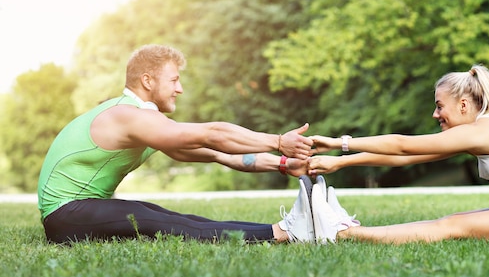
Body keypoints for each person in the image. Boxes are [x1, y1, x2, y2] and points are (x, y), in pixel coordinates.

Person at [37, 44, 323, 244]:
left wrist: (285, 165)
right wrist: (278, 141)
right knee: (155, 220)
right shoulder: (128, 116)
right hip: (66, 214)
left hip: (80, 210)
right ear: (147, 80)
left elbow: (219, 154)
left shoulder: (146, 122)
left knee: (171, 216)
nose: (180, 88)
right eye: (174, 80)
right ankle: (283, 233)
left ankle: (284, 228)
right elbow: (212, 134)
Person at [307, 64, 489, 244]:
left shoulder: (483, 131)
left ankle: (341, 233)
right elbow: (406, 157)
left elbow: (403, 145)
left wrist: (339, 143)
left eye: (440, 106)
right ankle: (343, 229)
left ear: (463, 105)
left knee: (451, 225)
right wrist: (340, 162)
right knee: (452, 223)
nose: (435, 114)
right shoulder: (484, 130)